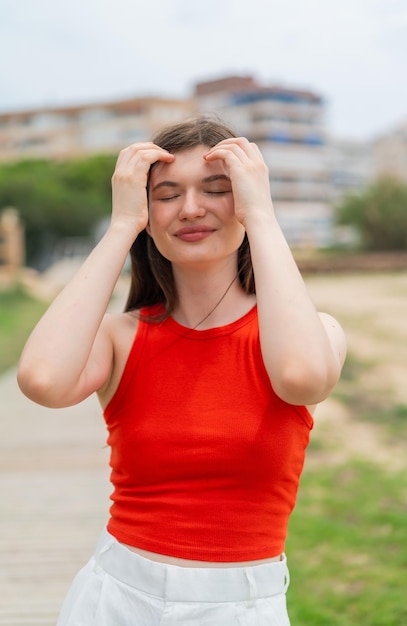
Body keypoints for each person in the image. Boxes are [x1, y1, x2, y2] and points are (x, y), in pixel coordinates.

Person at [17, 115, 346, 625]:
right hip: (116, 599)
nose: (191, 209)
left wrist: (262, 215)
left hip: (242, 605)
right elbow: (42, 380)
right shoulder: (120, 337)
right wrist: (122, 226)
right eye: (167, 194)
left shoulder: (312, 333)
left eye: (217, 189)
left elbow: (302, 378)